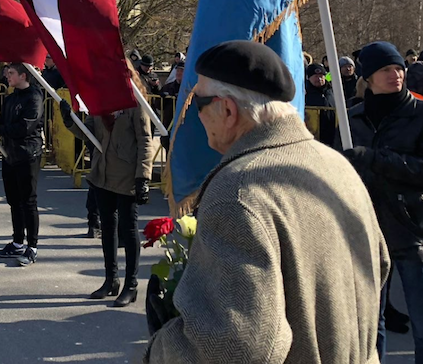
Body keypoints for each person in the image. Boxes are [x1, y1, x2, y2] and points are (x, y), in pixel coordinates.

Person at [144, 40, 388, 364]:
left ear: (227, 109)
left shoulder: (238, 190)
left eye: (196, 102)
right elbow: (380, 267)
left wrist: (161, 347)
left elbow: (237, 347)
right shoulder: (337, 165)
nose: (192, 113)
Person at [342, 41, 423, 362]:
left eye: (398, 68)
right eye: (386, 70)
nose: (396, 75)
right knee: (370, 326)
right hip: (364, 231)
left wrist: (376, 159)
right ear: (369, 77)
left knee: (421, 322)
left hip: (411, 229)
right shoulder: (352, 120)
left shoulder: (419, 115)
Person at [59, 62, 155, 307]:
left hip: (126, 175)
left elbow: (146, 140)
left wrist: (143, 177)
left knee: (128, 229)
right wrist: (71, 122)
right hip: (102, 173)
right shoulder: (101, 100)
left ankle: (130, 285)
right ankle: (111, 279)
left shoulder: (136, 102)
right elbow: (89, 133)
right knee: (108, 229)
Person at [0, 63, 45, 267]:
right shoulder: (11, 97)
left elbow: (24, 127)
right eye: (7, 73)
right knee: (14, 200)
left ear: (23, 76)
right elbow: (4, 122)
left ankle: (32, 246)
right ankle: (17, 242)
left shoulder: (34, 97)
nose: (7, 75)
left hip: (28, 154)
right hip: (10, 154)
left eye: (11, 73)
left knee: (28, 201)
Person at [304, 62, 336, 146]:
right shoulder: (304, 93)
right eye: (315, 76)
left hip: (333, 134)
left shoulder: (332, 91)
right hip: (313, 135)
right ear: (309, 78)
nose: (319, 79)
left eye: (321, 76)